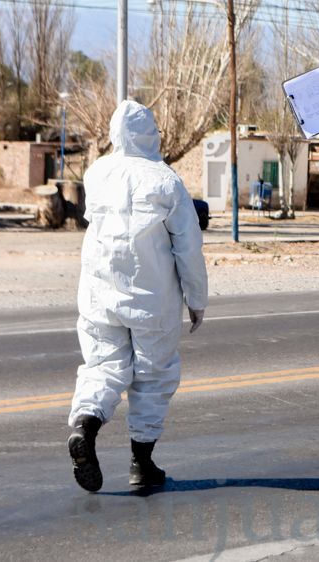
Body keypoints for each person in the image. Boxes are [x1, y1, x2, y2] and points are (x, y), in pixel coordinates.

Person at [67, 100, 208, 492]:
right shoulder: (166, 182)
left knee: (103, 368)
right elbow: (188, 248)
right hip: (151, 300)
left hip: (99, 294)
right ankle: (141, 465)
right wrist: (197, 300)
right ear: (152, 133)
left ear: (114, 134)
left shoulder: (96, 174)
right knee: (152, 377)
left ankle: (84, 425)